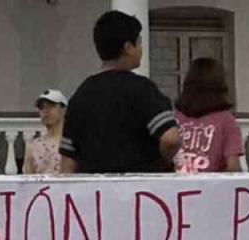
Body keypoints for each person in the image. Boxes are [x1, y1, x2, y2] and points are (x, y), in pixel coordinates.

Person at [59, 11, 180, 174]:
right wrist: (163, 161)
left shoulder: (81, 95)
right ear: (128, 48)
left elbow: (67, 162)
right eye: (139, 43)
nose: (141, 49)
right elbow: (171, 139)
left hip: (94, 193)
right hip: (141, 190)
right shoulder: (142, 89)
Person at [173, 57, 243, 174]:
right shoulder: (227, 121)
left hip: (175, 187)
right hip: (211, 189)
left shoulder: (176, 117)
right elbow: (233, 167)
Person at [23, 89, 67, 175]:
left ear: (63, 109)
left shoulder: (71, 142)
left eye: (51, 106)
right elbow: (27, 180)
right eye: (41, 107)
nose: (45, 110)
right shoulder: (33, 146)